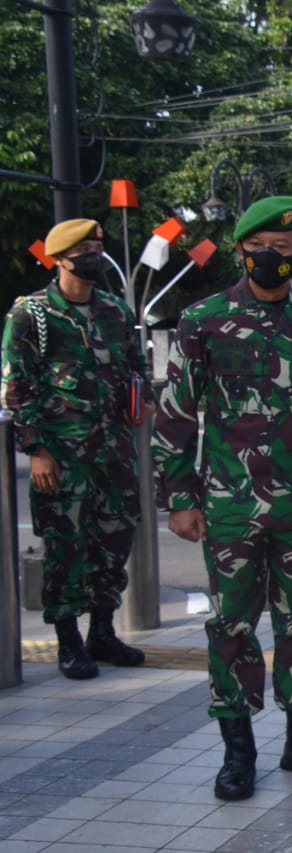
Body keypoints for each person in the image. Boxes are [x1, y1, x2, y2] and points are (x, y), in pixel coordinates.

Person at [152, 196, 292, 802]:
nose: (270, 259)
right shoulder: (203, 320)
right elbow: (176, 416)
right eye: (259, 250)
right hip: (229, 505)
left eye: (283, 251)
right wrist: (179, 496)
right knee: (231, 628)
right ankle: (238, 754)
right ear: (241, 252)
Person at [1, 218, 151, 680]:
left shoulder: (114, 309)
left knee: (113, 540)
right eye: (85, 248)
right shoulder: (33, 313)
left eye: (98, 247)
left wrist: (141, 395)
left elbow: (134, 365)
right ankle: (67, 639)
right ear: (60, 258)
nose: (95, 256)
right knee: (64, 545)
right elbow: (15, 388)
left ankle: (101, 631)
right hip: (62, 457)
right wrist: (36, 450)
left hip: (114, 451)